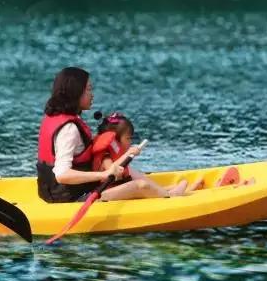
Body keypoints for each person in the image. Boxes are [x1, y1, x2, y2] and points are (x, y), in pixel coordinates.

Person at [36, 67, 180, 203]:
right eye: (88, 89)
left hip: (58, 191)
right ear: (76, 93)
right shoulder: (69, 129)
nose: (92, 94)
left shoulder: (58, 117)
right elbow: (62, 175)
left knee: (129, 169)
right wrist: (103, 175)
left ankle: (161, 191)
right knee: (140, 186)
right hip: (71, 198)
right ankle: (171, 198)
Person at [91, 112, 189, 197]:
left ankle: (163, 190)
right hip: (104, 194)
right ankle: (170, 195)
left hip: (117, 188)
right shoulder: (105, 155)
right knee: (141, 185)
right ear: (115, 141)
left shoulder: (114, 153)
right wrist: (128, 153)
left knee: (133, 173)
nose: (130, 142)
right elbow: (110, 171)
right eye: (128, 138)